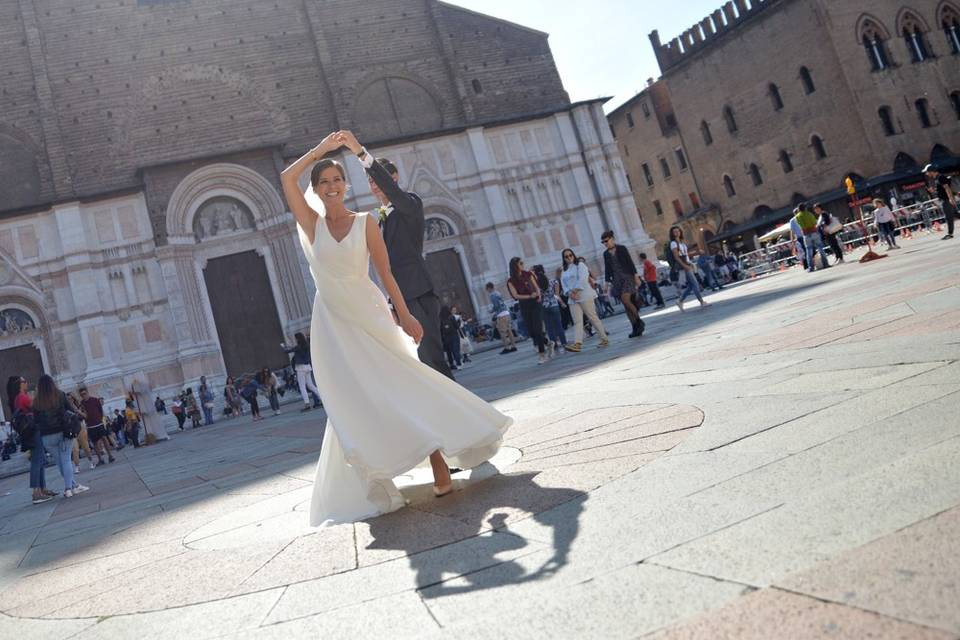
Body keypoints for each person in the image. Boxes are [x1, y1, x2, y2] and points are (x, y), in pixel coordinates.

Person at [279, 131, 510, 525]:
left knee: (402, 382)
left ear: (346, 185)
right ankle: (376, 476)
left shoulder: (366, 223)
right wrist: (320, 151)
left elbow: (385, 273)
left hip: (370, 314)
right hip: (332, 324)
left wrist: (404, 314)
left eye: (337, 180)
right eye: (324, 182)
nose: (332, 187)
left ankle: (439, 459)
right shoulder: (312, 224)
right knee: (350, 399)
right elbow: (286, 179)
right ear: (315, 190)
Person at [338, 130, 454, 381]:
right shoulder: (378, 218)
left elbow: (393, 192)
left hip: (417, 291)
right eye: (370, 181)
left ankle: (463, 409)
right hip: (399, 296)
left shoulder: (409, 205)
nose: (375, 185)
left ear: (394, 178)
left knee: (431, 356)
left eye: (379, 179)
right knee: (417, 360)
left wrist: (360, 152)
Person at [33, 375, 89, 498]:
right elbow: (70, 410)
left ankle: (74, 486)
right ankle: (68, 488)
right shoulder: (59, 394)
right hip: (62, 432)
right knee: (66, 461)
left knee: (60, 462)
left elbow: (35, 420)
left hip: (46, 437)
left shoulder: (36, 400)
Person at [7, 375, 55, 504]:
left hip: (30, 431)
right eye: (25, 381)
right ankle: (36, 492)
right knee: (37, 460)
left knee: (40, 459)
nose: (27, 383)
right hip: (33, 430)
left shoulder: (17, 398)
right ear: (20, 385)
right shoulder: (22, 397)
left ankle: (42, 489)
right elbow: (36, 407)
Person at [559, 248, 609, 352]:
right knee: (577, 321)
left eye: (570, 255)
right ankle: (577, 343)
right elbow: (563, 284)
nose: (569, 258)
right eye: (566, 256)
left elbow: (583, 279)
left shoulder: (580, 265)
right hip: (572, 298)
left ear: (573, 255)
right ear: (563, 258)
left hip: (584, 294)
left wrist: (575, 291)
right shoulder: (563, 270)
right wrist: (569, 293)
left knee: (592, 317)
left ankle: (604, 339)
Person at [601, 230, 644, 338]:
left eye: (606, 241)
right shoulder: (605, 254)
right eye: (603, 242)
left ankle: (639, 321)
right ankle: (635, 328)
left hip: (627, 277)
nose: (605, 243)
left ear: (612, 239)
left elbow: (630, 263)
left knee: (626, 299)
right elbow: (607, 269)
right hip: (616, 280)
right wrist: (606, 284)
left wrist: (636, 277)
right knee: (626, 306)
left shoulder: (622, 248)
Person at [507, 257, 549, 365]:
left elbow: (536, 287)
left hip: (535, 304)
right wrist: (529, 296)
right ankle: (548, 342)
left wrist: (538, 296)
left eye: (522, 263)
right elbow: (515, 295)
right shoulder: (510, 281)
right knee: (531, 332)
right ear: (515, 266)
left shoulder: (528, 274)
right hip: (524, 305)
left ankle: (542, 354)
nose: (522, 265)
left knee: (538, 329)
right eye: (520, 263)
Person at [669, 226, 709, 312]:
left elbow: (686, 255)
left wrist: (697, 252)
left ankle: (680, 301)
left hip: (687, 263)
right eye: (675, 232)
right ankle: (701, 302)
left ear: (680, 232)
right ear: (672, 234)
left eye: (678, 231)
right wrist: (685, 266)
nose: (677, 233)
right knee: (695, 283)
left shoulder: (682, 243)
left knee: (691, 286)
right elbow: (676, 257)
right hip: (684, 266)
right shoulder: (673, 243)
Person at [282, 334, 322, 412]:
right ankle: (322, 398)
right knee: (311, 386)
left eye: (295, 338)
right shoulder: (306, 345)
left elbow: (287, 351)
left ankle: (307, 404)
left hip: (300, 368)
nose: (295, 339)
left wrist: (283, 346)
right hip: (307, 366)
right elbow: (294, 349)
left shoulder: (298, 347)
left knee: (302, 387)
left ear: (298, 339)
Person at [534, 264, 566, 354]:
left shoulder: (537, 285)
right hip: (554, 305)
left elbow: (538, 298)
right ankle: (564, 343)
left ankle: (554, 344)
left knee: (549, 328)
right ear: (544, 271)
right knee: (559, 326)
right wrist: (562, 303)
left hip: (544, 307)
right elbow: (557, 295)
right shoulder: (553, 282)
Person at [78, 386, 115, 465]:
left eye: (84, 393)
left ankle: (110, 456)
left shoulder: (95, 400)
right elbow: (82, 415)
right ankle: (100, 459)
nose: (83, 396)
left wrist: (100, 419)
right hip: (90, 426)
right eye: (81, 395)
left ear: (87, 392)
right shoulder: (82, 404)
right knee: (95, 443)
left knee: (104, 439)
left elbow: (100, 410)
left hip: (99, 424)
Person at [793, 203, 830, 272]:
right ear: (805, 208)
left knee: (808, 251)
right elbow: (815, 223)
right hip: (814, 232)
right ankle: (825, 264)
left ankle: (811, 267)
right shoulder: (809, 214)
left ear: (799, 209)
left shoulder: (798, 216)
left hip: (806, 234)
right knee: (820, 249)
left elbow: (801, 226)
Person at [924, 164, 956, 240]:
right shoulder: (937, 179)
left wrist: (951, 199)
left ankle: (950, 234)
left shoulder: (940, 177)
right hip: (944, 200)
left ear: (931, 171)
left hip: (946, 200)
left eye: (927, 172)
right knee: (954, 215)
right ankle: (950, 234)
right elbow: (941, 190)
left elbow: (947, 188)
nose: (926, 174)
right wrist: (933, 191)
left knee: (949, 217)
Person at [485, 282, 517, 354]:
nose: (487, 291)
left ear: (489, 288)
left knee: (502, 332)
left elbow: (496, 306)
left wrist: (491, 311)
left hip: (501, 314)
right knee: (509, 331)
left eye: (487, 289)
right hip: (506, 313)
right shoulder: (498, 293)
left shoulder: (492, 295)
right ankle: (513, 346)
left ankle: (506, 348)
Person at [439, 306, 463, 371]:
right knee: (456, 351)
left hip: (446, 337)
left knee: (449, 352)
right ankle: (459, 364)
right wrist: (459, 321)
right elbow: (457, 326)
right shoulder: (451, 317)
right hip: (454, 336)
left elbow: (440, 330)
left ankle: (451, 364)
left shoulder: (440, 319)